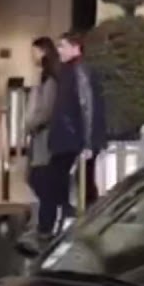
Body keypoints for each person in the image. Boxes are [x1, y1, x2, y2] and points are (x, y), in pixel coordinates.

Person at [47, 30, 106, 227]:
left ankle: (85, 218)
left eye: (62, 46)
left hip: (74, 138)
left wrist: (87, 143)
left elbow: (86, 106)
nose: (59, 50)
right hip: (70, 136)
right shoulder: (68, 70)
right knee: (77, 180)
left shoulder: (79, 70)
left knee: (78, 180)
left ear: (75, 47)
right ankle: (79, 216)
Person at [25, 37, 61, 238]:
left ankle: (46, 226)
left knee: (41, 181)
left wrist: (31, 124)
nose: (32, 56)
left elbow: (46, 111)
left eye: (34, 52)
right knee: (37, 179)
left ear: (44, 52)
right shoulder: (44, 77)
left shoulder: (50, 80)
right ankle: (45, 223)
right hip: (40, 136)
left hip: (44, 138)